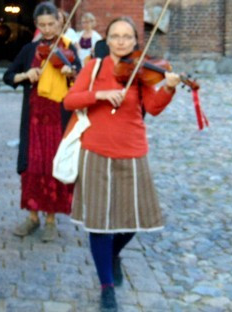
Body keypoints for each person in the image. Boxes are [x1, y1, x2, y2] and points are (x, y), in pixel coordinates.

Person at [62, 17, 180, 312]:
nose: (121, 42)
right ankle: (106, 287)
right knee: (99, 224)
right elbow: (69, 101)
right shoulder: (94, 67)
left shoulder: (141, 72)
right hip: (96, 149)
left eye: (127, 37)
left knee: (135, 219)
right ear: (108, 39)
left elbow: (153, 108)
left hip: (132, 149)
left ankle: (113, 255)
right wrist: (99, 94)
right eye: (115, 36)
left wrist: (169, 87)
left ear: (135, 41)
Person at [3, 1, 81, 242]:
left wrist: (73, 73)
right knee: (33, 167)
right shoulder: (30, 50)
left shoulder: (69, 49)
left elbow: (81, 81)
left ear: (60, 23)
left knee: (54, 166)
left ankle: (50, 219)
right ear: (36, 25)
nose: (47, 30)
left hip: (59, 116)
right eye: (42, 25)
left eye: (52, 24)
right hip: (34, 117)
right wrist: (25, 75)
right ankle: (32, 217)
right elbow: (8, 76)